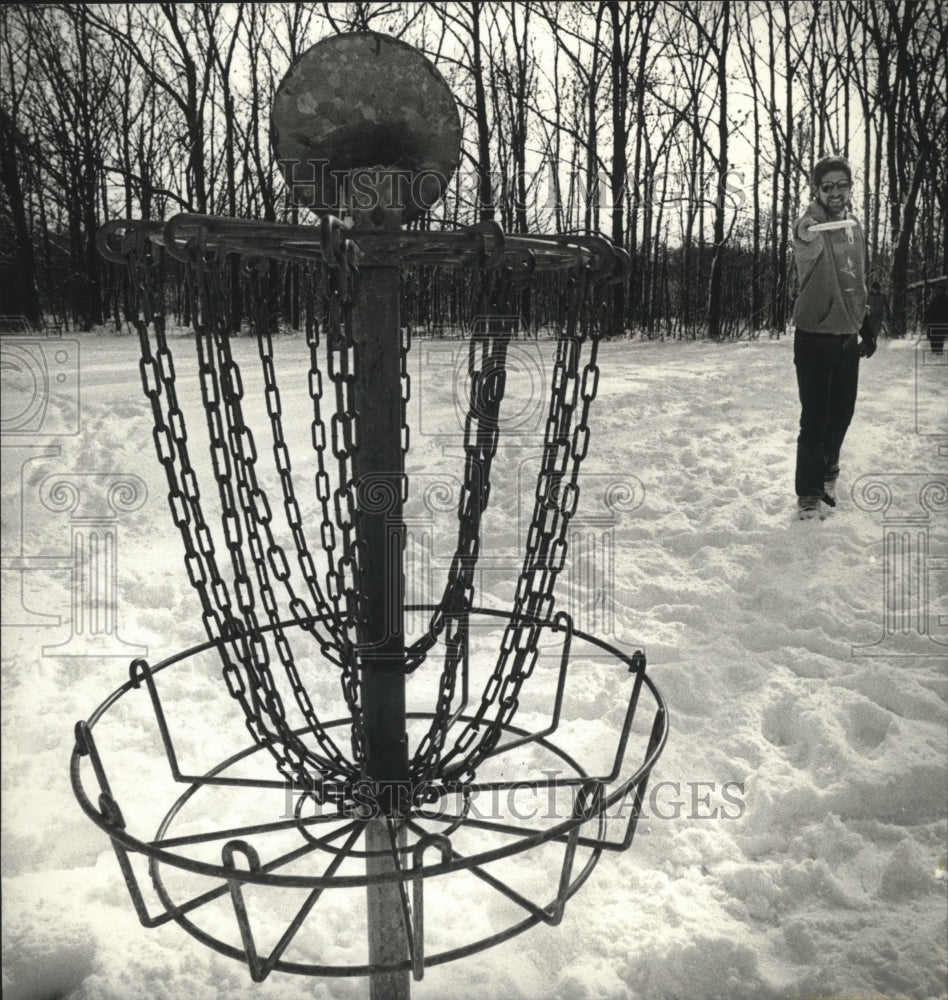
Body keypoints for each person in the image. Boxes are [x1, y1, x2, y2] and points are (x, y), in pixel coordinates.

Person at [790, 155, 873, 520]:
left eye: (842, 185)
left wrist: (865, 319)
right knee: (815, 418)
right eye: (828, 186)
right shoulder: (812, 224)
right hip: (815, 336)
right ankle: (807, 492)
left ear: (850, 187)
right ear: (817, 190)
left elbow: (858, 278)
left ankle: (828, 473)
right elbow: (803, 239)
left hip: (846, 336)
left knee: (842, 414)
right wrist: (805, 231)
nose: (836, 192)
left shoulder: (854, 225)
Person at [925, 279, 947, 355]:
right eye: (936, 290)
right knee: (933, 336)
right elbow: (930, 311)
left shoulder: (945, 299)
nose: (937, 291)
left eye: (939, 290)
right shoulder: (933, 299)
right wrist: (928, 320)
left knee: (940, 336)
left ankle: (939, 350)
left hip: (942, 321)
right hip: (933, 322)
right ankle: (934, 350)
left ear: (942, 290)